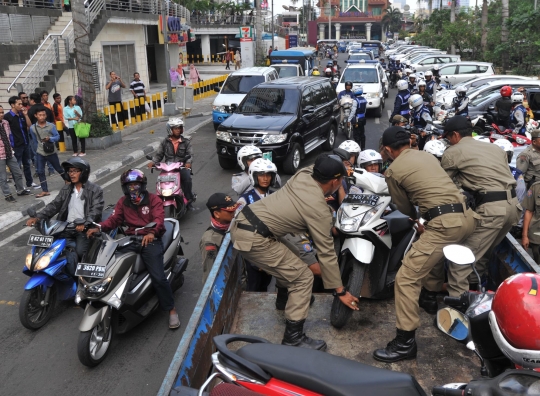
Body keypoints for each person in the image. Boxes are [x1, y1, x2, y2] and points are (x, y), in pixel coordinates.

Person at [230, 154, 359, 350]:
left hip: (249, 222)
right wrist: (339, 290)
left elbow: (317, 164)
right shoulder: (319, 209)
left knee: (293, 258)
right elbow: (326, 252)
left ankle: (283, 300)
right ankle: (293, 338)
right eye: (340, 180)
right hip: (254, 238)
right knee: (303, 278)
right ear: (335, 181)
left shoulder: (303, 174)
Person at [372, 126, 476, 363]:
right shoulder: (427, 156)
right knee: (429, 247)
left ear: (388, 150)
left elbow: (406, 210)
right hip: (467, 218)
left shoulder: (394, 170)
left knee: (407, 277)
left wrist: (421, 219)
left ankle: (404, 343)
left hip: (444, 223)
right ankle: (429, 298)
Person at [435, 116, 520, 297]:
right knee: (481, 257)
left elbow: (442, 185)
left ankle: (459, 314)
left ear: (455, 135)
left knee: (460, 263)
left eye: (448, 137)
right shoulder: (494, 147)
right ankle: (475, 294)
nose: (448, 141)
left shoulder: (454, 151)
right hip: (513, 207)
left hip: (491, 210)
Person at [87, 169, 181, 329]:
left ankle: (171, 310)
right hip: (130, 240)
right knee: (111, 266)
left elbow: (159, 219)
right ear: (125, 187)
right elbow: (114, 220)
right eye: (130, 185)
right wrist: (99, 228)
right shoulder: (123, 202)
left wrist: (151, 232)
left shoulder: (153, 200)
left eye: (136, 184)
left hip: (150, 241)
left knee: (158, 277)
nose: (133, 188)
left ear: (142, 185)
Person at [27, 157, 104, 275]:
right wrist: (38, 217)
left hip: (84, 229)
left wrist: (85, 223)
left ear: (83, 172)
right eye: (70, 171)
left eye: (75, 171)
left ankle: (81, 280)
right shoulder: (66, 189)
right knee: (53, 250)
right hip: (65, 227)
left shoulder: (95, 190)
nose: (71, 174)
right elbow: (54, 205)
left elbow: (96, 210)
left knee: (79, 253)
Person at [148, 117, 194, 204]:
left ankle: (188, 198)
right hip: (168, 168)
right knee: (160, 181)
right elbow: (159, 155)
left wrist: (188, 162)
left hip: (182, 167)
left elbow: (190, 155)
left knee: (187, 178)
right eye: (176, 128)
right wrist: (153, 162)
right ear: (170, 130)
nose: (178, 130)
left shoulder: (186, 142)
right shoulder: (164, 142)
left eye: (179, 128)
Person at [200, 193, 239, 284]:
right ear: (217, 214)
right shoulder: (209, 241)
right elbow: (210, 274)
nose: (233, 213)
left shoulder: (233, 226)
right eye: (229, 211)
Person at [30, 108, 66, 198]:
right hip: (40, 153)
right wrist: (36, 152)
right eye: (40, 115)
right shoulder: (32, 128)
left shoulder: (51, 126)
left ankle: (68, 180)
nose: (42, 117)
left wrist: (50, 139)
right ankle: (45, 190)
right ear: (36, 116)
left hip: (51, 151)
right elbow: (34, 141)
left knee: (58, 168)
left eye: (44, 115)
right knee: (40, 172)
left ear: (46, 116)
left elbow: (57, 136)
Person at [4, 96, 37, 190]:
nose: (21, 105)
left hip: (25, 142)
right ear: (12, 105)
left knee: (27, 164)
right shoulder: (7, 117)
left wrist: (26, 115)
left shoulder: (22, 114)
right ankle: (19, 185)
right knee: (17, 166)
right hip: (16, 145)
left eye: (21, 103)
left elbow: (29, 126)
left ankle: (29, 183)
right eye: (19, 104)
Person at [0, 105, 30, 202]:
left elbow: (10, 136)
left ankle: (20, 190)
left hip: (9, 152)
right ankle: (7, 195)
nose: (1, 114)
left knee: (17, 172)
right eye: (0, 113)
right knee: (3, 177)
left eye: (2, 112)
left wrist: (11, 146)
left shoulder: (5, 123)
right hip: (0, 156)